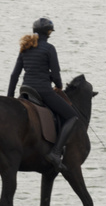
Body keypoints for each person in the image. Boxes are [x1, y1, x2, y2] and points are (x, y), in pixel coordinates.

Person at [7, 17, 80, 171]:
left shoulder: (25, 48)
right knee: (72, 116)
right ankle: (55, 152)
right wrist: (58, 85)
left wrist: (10, 98)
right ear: (48, 32)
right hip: (43, 91)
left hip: (25, 90)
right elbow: (56, 74)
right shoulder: (49, 48)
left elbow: (14, 75)